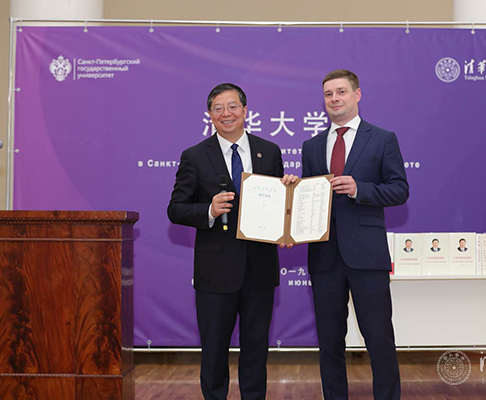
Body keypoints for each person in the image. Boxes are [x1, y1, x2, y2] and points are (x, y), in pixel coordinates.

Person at [168, 83, 296, 400]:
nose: (226, 113)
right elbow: (176, 208)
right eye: (218, 108)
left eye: (233, 106)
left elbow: (280, 207)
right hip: (215, 271)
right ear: (210, 115)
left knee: (256, 348)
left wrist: (290, 200)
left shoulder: (270, 151)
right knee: (214, 350)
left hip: (260, 268)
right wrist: (209, 210)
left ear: (245, 111)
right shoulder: (195, 156)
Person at [301, 70, 409, 400]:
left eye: (341, 92)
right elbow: (310, 199)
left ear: (357, 95)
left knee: (379, 338)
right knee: (329, 342)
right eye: (328, 94)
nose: (334, 99)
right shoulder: (312, 146)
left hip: (367, 256)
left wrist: (360, 189)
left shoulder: (382, 139)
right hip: (324, 257)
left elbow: (399, 190)